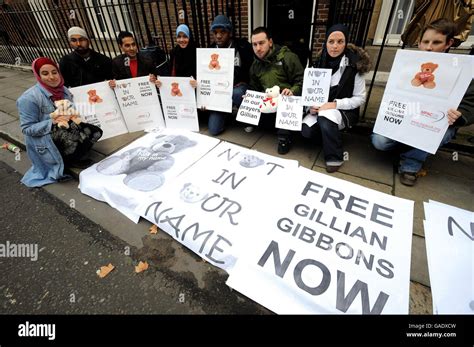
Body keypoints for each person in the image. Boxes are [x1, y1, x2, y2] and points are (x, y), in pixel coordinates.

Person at [371, 19, 474, 186]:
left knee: (444, 133)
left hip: (435, 122)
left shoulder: (463, 70)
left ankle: (411, 164)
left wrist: (461, 115)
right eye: (425, 42)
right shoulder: (406, 65)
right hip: (406, 115)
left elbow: (470, 103)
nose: (429, 47)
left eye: (436, 42)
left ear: (449, 43)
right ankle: (407, 147)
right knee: (379, 142)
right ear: (419, 43)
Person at [17, 57, 102, 187]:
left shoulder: (64, 90)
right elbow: (27, 129)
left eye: (54, 72)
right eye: (45, 74)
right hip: (45, 137)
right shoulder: (28, 98)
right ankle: (65, 160)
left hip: (66, 127)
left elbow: (71, 110)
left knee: (96, 132)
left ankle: (72, 156)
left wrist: (72, 115)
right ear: (38, 75)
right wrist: (52, 121)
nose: (51, 77)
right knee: (71, 136)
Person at [301, 24, 370, 171]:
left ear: (346, 44)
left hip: (342, 111)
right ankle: (330, 136)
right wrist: (310, 107)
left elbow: (360, 98)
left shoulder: (354, 67)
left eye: (340, 42)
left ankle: (334, 157)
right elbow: (309, 94)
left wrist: (335, 104)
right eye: (331, 42)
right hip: (319, 110)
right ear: (325, 43)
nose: (335, 46)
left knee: (325, 117)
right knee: (306, 131)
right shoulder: (317, 65)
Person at [249, 26, 304, 154]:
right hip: (270, 103)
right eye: (254, 44)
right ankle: (274, 125)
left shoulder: (288, 57)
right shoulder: (255, 65)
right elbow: (254, 88)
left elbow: (301, 80)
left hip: (288, 101)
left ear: (270, 42)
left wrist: (293, 91)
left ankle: (284, 137)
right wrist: (251, 97)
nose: (258, 48)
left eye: (261, 43)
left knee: (285, 104)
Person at [205, 14, 254, 135]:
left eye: (223, 32)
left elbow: (252, 69)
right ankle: (225, 113)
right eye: (215, 32)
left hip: (238, 87)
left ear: (230, 32)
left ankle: (248, 117)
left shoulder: (242, 46)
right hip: (219, 92)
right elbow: (206, 75)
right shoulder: (210, 50)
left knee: (236, 93)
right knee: (214, 130)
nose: (219, 36)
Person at [155, 24, 197, 89]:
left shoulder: (196, 52)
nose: (181, 40)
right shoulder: (174, 53)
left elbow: (202, 75)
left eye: (185, 36)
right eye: (179, 36)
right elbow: (169, 72)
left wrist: (197, 82)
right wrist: (161, 82)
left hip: (194, 92)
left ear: (189, 37)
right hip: (178, 91)